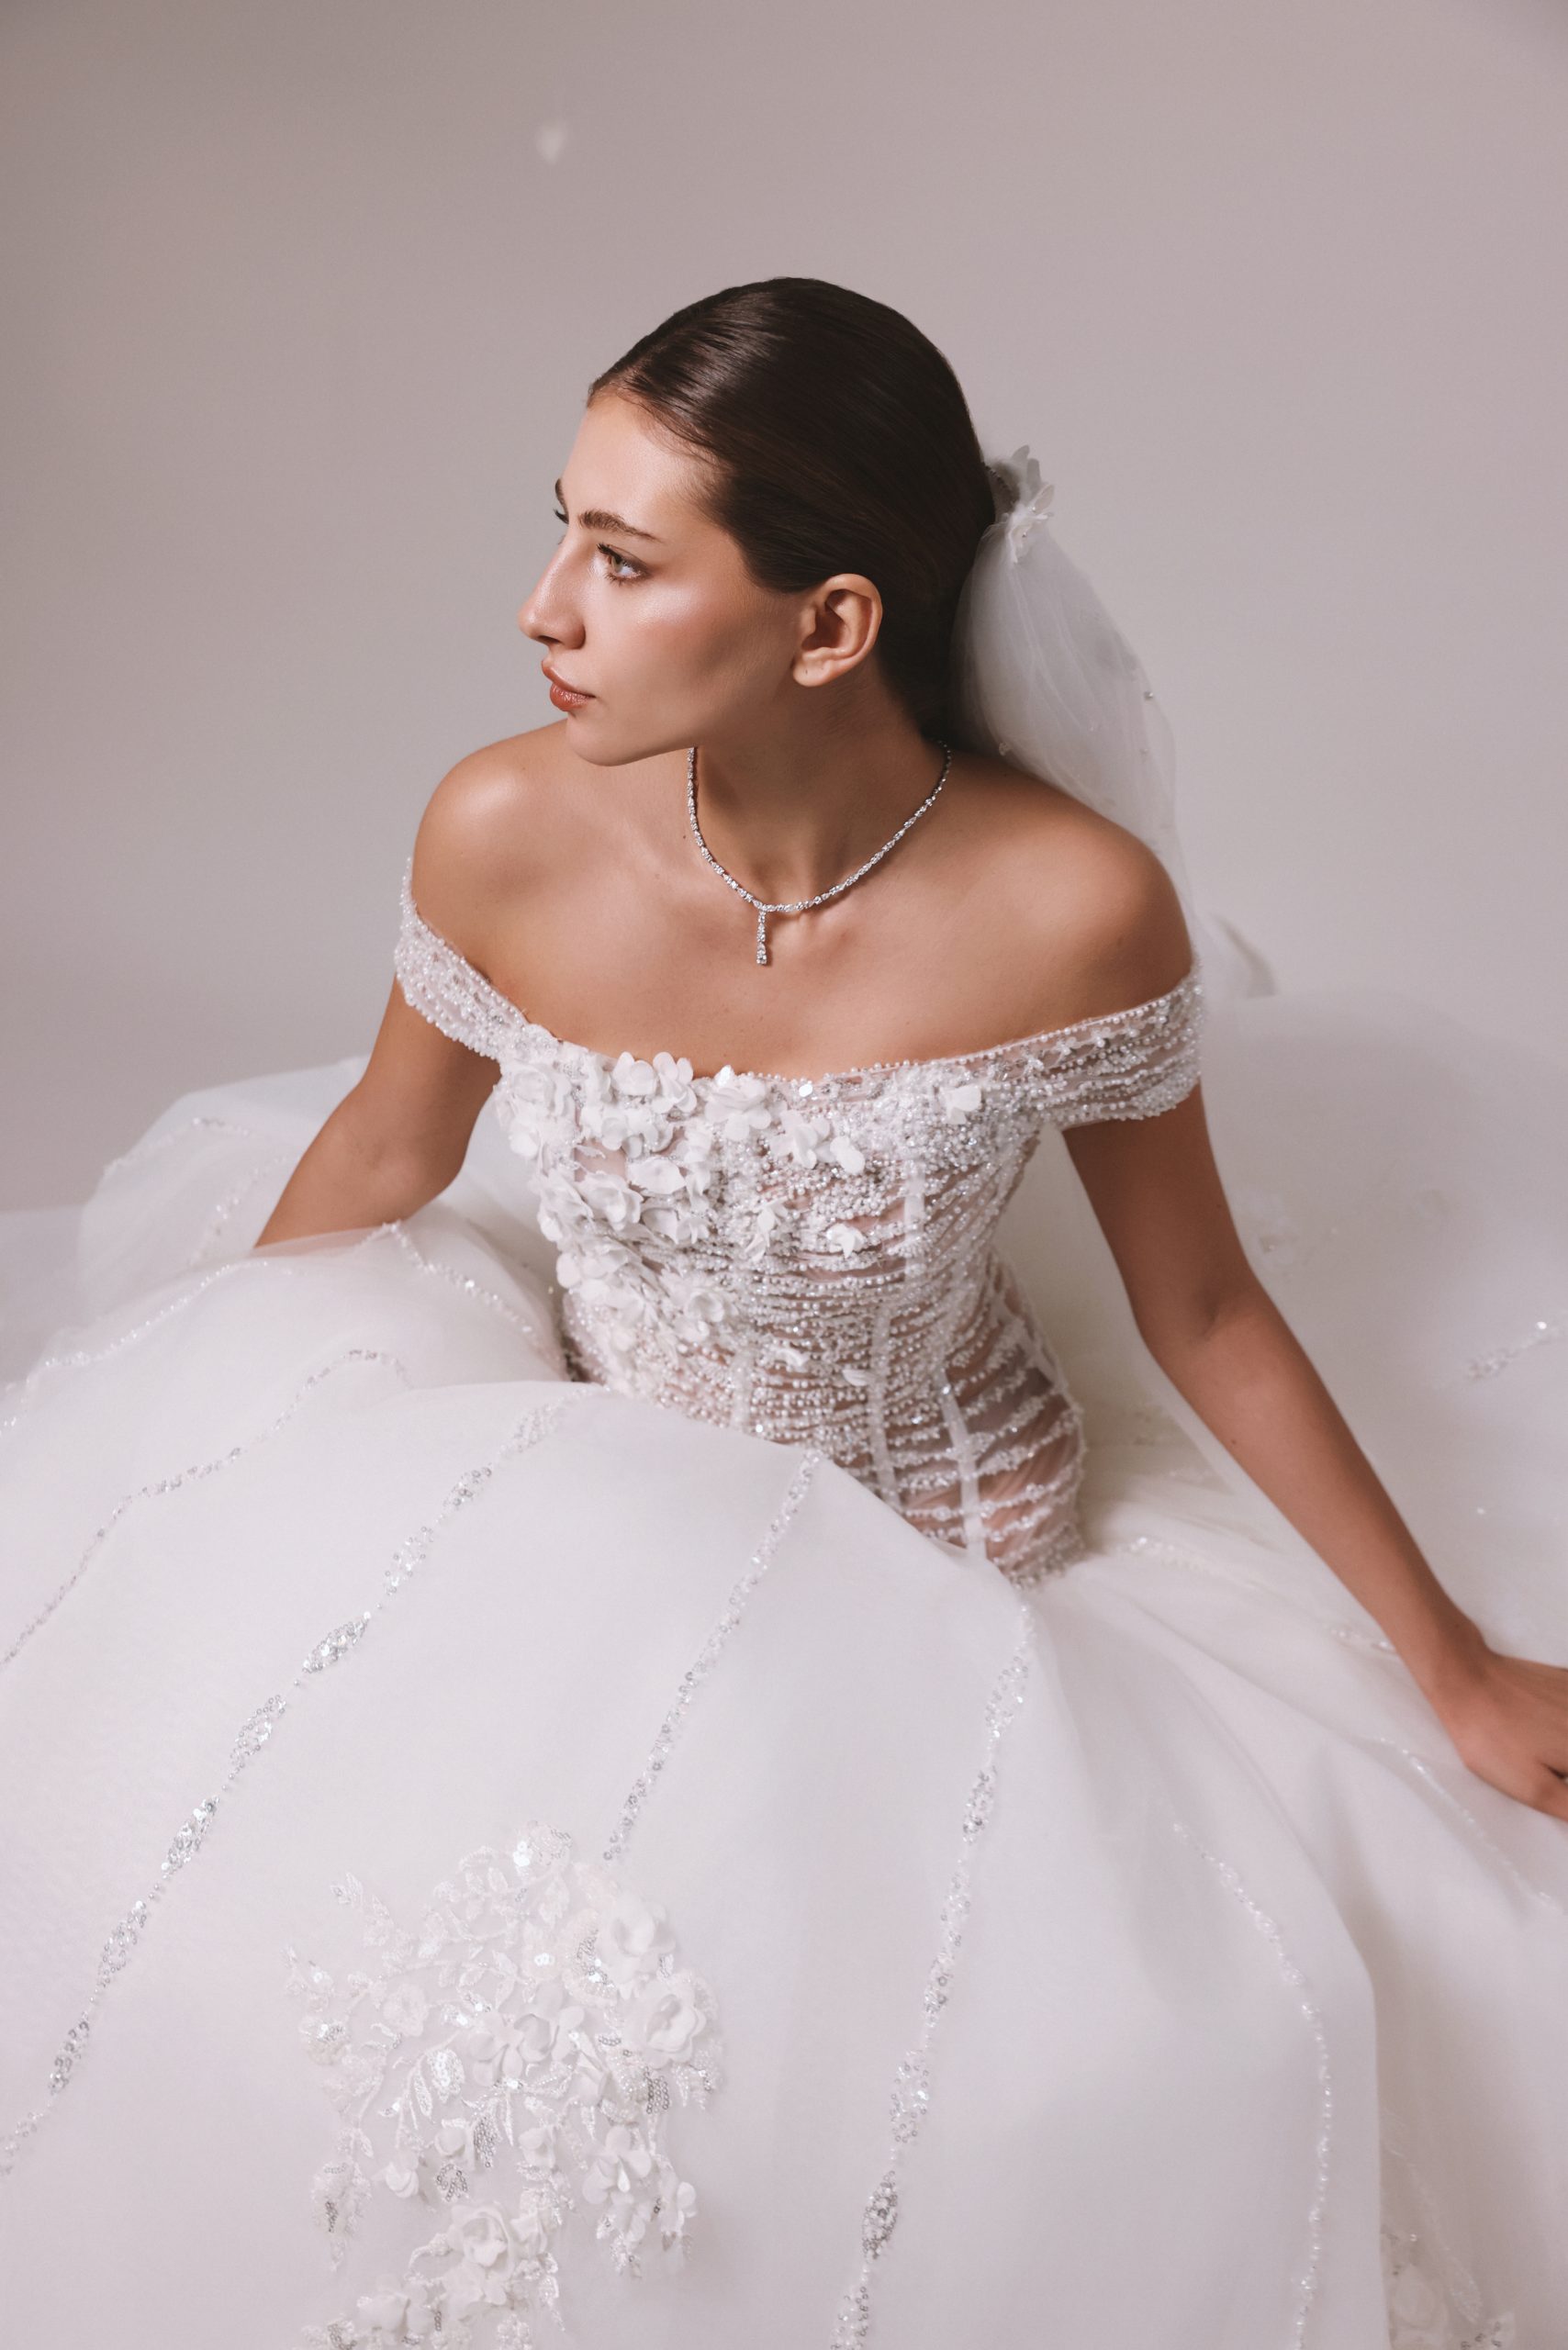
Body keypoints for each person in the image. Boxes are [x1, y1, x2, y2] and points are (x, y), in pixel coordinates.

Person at [2, 275, 1564, 2349]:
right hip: (579, 1490)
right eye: (560, 531)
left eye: (623, 560)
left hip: (952, 1554)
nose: (543, 608)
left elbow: (1200, 1308)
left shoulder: (1069, 907)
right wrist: (200, 1460)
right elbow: (383, 1155)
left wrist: (1448, 1670)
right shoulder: (503, 830)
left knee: (995, 2079)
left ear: (829, 625)